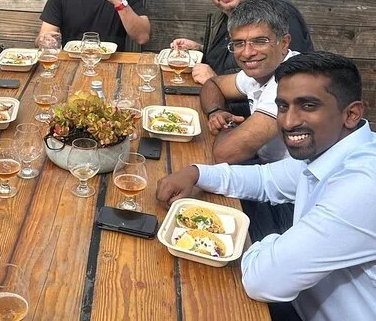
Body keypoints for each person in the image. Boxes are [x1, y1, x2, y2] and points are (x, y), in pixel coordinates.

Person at [157, 51, 376, 321]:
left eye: (308, 106)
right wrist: (196, 173)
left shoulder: (364, 185)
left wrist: (269, 243)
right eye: (282, 106)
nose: (288, 122)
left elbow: (263, 281)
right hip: (297, 299)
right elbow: (266, 179)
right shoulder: (332, 150)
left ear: (351, 114)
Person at [172, 0, 313, 85]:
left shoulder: (277, 10)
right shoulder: (231, 8)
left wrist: (215, 81)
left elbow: (292, 81)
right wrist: (201, 49)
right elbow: (232, 55)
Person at [200, 0, 297, 166]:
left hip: (297, 179)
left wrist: (228, 125)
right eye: (239, 43)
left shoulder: (290, 82)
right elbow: (213, 84)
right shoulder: (262, 69)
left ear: (284, 43)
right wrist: (216, 112)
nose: (247, 53)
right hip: (268, 168)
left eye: (259, 41)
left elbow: (227, 153)